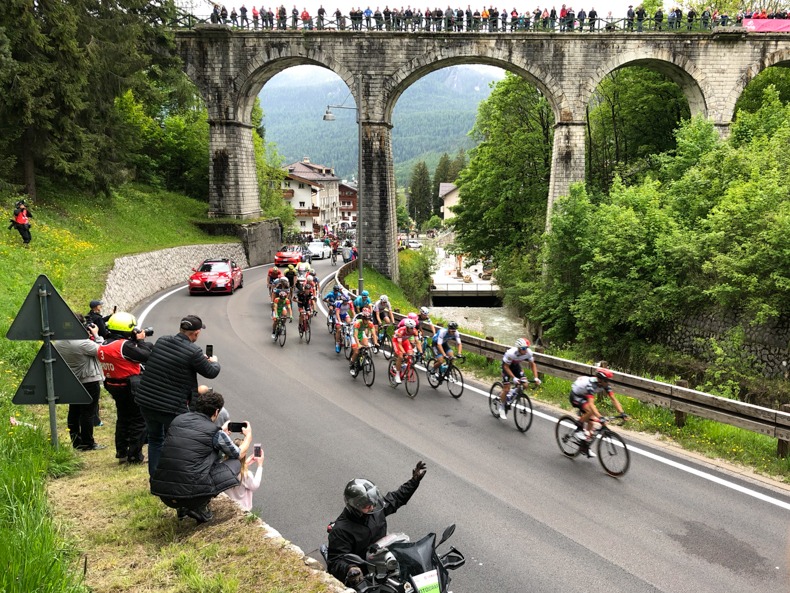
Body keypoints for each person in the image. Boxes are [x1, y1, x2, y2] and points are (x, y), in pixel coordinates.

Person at [135, 315, 221, 476]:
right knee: (179, 442)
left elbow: (175, 359)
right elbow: (211, 372)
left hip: (146, 401)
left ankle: (155, 478)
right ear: (196, 333)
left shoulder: (162, 340)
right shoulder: (194, 351)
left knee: (155, 440)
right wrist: (214, 361)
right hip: (171, 407)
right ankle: (178, 477)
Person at [150, 391, 249, 523]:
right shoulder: (215, 432)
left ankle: (182, 508)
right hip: (192, 495)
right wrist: (248, 436)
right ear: (216, 412)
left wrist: (221, 432)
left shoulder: (178, 420)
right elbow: (238, 454)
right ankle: (199, 506)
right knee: (235, 462)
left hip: (164, 493)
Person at [327, 461, 427, 587]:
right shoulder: (341, 530)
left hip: (385, 560)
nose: (372, 507)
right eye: (368, 505)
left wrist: (414, 481)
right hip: (366, 574)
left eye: (373, 502)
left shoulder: (373, 509)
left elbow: (396, 498)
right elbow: (335, 561)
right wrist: (350, 569)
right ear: (355, 505)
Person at [99, 312, 153, 464]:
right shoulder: (123, 345)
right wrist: (141, 341)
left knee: (123, 418)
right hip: (130, 386)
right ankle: (135, 456)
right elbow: (146, 356)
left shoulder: (104, 344)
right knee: (138, 420)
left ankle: (121, 452)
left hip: (113, 384)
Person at [54, 314, 105, 451]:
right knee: (88, 413)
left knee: (74, 412)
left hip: (72, 381)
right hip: (89, 380)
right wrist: (96, 335)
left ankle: (76, 442)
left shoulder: (59, 342)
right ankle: (88, 442)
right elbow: (102, 351)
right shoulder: (82, 342)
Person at [570, 368, 628, 457]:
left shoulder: (605, 385)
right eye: (606, 380)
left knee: (591, 422)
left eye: (608, 380)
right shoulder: (591, 385)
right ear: (599, 380)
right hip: (576, 396)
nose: (608, 383)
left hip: (584, 396)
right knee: (589, 411)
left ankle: (584, 446)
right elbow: (591, 405)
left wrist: (622, 413)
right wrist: (600, 417)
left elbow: (613, 399)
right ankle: (579, 426)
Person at [498, 338, 541, 420]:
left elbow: (533, 364)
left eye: (527, 347)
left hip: (516, 366)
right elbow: (506, 367)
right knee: (506, 388)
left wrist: (536, 378)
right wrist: (514, 378)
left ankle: (513, 392)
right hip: (507, 367)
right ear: (519, 348)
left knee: (525, 385)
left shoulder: (528, 352)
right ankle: (502, 407)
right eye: (524, 348)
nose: (526, 350)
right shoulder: (511, 353)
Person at [223, 438, 263, 511]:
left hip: (228, 503)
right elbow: (255, 485)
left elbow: (234, 468)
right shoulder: (245, 474)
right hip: (242, 507)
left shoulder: (222, 467)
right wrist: (260, 465)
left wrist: (245, 464)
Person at [392, 318, 422, 384]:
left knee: (410, 355)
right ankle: (397, 375)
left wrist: (421, 352)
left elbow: (417, 342)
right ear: (407, 327)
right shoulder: (401, 331)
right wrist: (404, 353)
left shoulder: (415, 331)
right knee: (400, 356)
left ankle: (404, 365)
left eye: (413, 327)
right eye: (411, 328)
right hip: (397, 341)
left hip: (405, 341)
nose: (412, 329)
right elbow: (399, 345)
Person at [349, 308, 379, 374]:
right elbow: (355, 336)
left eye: (368, 319)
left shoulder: (370, 323)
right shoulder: (358, 323)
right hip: (354, 334)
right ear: (362, 319)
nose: (366, 321)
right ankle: (352, 364)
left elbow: (374, 334)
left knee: (366, 345)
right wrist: (359, 344)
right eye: (365, 319)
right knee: (356, 351)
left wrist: (375, 343)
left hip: (361, 334)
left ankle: (363, 357)